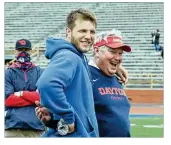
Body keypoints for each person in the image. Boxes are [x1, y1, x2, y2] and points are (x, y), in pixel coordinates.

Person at [35, 9, 128, 138]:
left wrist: (54, 119)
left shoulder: (76, 57)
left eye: (92, 32)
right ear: (68, 32)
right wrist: (68, 117)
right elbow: (47, 84)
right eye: (82, 31)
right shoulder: (69, 56)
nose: (88, 36)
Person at [89, 29, 131, 137]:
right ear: (97, 51)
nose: (117, 58)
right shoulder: (84, 74)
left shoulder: (116, 77)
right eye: (112, 52)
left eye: (120, 53)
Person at [5, 39, 45, 137]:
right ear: (15, 52)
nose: (23, 53)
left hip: (36, 126)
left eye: (26, 50)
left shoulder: (40, 72)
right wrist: (32, 97)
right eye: (20, 50)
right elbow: (8, 100)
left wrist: (21, 94)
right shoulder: (8, 73)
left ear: (31, 51)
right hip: (13, 127)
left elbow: (42, 98)